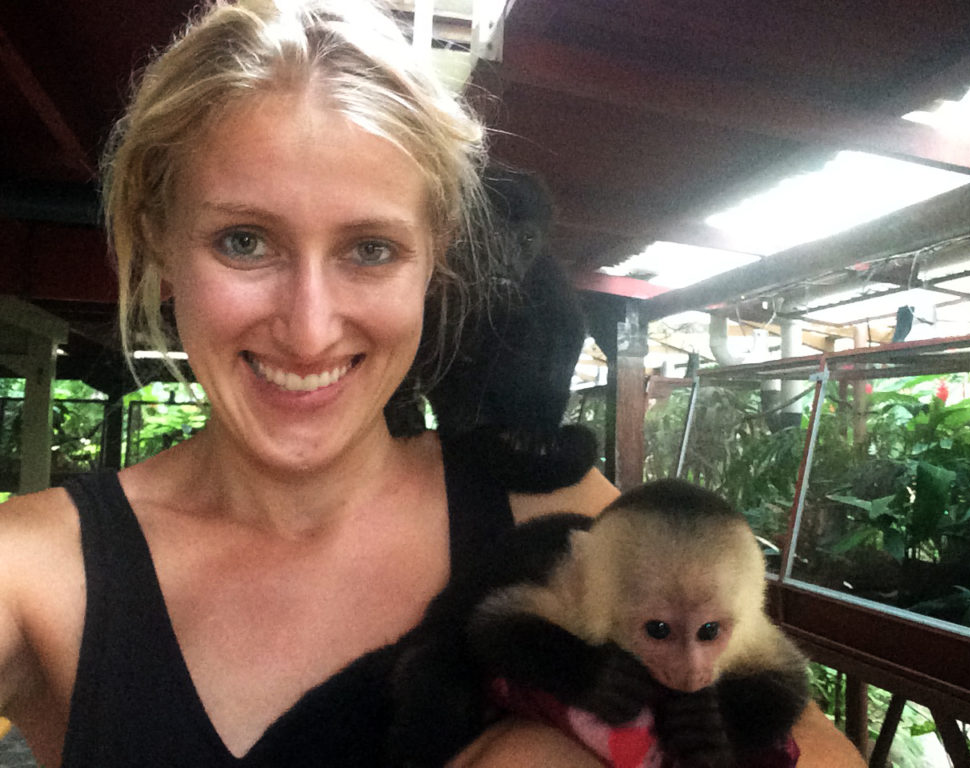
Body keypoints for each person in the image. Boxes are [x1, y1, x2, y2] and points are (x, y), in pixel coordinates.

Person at [0, 1, 865, 765]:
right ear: (156, 246)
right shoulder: (36, 569)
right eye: (244, 242)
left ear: (433, 265)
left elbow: (800, 732)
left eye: (370, 249)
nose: (308, 327)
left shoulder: (553, 514)